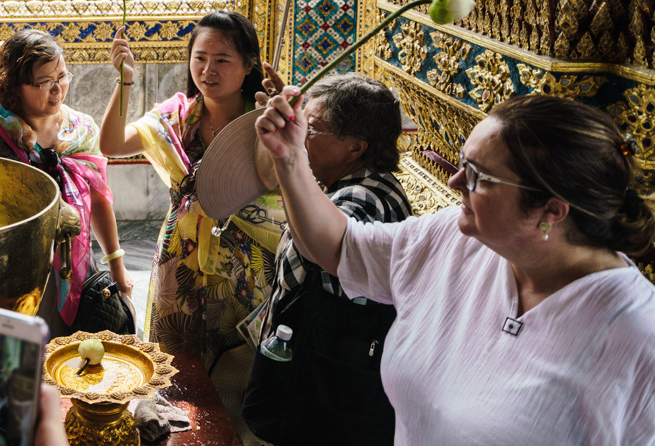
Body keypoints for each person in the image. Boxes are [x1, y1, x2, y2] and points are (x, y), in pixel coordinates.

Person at [255, 92, 655, 445]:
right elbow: (342, 246)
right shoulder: (457, 238)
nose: (455, 181)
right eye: (462, 163)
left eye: (478, 176)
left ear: (551, 210)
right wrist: (290, 157)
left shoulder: (637, 335)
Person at [99, 12, 285, 371]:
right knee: (176, 366)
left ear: (249, 66)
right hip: (180, 258)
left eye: (222, 60)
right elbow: (111, 144)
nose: (208, 70)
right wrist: (124, 80)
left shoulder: (263, 120)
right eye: (200, 58)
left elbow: (287, 183)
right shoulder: (177, 118)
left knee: (236, 368)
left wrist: (280, 126)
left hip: (245, 262)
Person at [240, 74, 412, 444]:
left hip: (327, 385)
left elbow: (319, 250)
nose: (303, 137)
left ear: (355, 148)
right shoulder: (349, 183)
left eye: (313, 129)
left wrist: (288, 156)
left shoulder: (363, 199)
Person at [0, 19, 130, 335]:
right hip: (10, 276)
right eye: (44, 82)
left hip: (75, 267)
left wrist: (117, 264)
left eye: (62, 77)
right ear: (14, 85)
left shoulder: (81, 129)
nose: (57, 89)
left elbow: (99, 200)